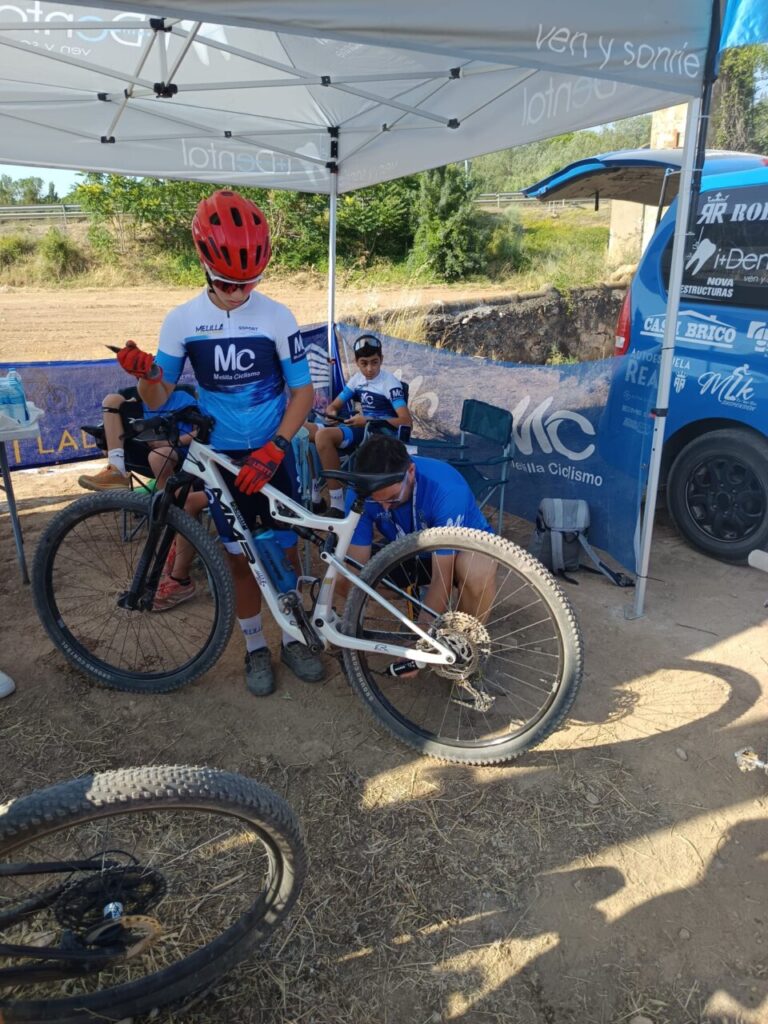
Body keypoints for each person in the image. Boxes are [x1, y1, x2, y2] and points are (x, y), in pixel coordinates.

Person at [112, 189, 324, 697]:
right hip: (221, 457)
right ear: (205, 266)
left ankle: (294, 636)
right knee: (240, 556)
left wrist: (276, 446)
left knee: (286, 551)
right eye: (228, 282)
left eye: (249, 282)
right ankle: (255, 647)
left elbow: (303, 391)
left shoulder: (277, 316)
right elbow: (159, 397)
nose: (237, 293)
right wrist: (145, 375)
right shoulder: (182, 320)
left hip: (274, 452)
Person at [334, 435, 497, 632]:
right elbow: (355, 569)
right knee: (342, 579)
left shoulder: (447, 490)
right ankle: (414, 597)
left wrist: (419, 643)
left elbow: (441, 578)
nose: (385, 508)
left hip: (458, 553)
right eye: (376, 501)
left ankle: (462, 640)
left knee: (475, 571)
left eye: (392, 499)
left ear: (410, 472)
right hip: (409, 549)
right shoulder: (361, 492)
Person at [306, 334, 412, 516]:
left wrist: (368, 419)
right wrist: (332, 413)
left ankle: (337, 505)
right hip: (359, 427)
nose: (370, 368)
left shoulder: (389, 383)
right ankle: (315, 494)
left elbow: (405, 421)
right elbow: (334, 405)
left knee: (322, 436)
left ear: (382, 360)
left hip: (377, 434)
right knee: (304, 430)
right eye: (364, 363)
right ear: (356, 362)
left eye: (374, 362)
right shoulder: (357, 379)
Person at [78, 387, 198, 492]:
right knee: (111, 400)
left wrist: (169, 443)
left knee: (157, 457)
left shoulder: (184, 397)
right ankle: (117, 470)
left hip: (178, 450)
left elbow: (200, 432)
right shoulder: (135, 402)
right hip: (144, 452)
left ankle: (175, 509)